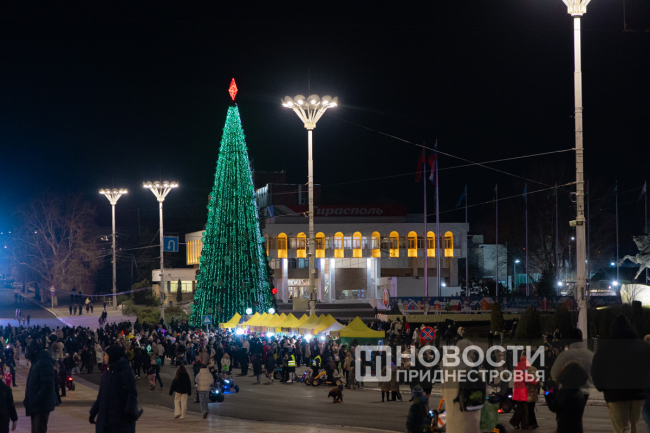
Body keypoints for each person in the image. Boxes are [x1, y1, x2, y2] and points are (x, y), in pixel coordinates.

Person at [592, 314, 650, 433]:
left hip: (615, 393)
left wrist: (602, 387)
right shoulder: (642, 346)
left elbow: (596, 370)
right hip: (637, 393)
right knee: (633, 426)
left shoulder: (605, 348)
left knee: (622, 428)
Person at [89, 346, 139, 433]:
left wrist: (129, 413)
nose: (104, 357)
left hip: (120, 420)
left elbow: (131, 394)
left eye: (106, 355)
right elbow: (101, 396)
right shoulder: (107, 373)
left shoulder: (125, 371)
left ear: (112, 356)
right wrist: (93, 412)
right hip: (105, 420)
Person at [551, 328, 593, 402]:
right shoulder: (591, 355)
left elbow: (554, 373)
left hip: (568, 393)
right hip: (586, 392)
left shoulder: (565, 355)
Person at [24, 337, 56, 433]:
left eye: (27, 349)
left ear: (34, 350)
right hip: (36, 405)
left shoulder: (43, 361)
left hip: (41, 406)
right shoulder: (36, 361)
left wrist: (35, 399)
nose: (25, 351)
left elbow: (47, 385)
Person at [546, 361, 588, 433]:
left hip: (564, 426)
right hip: (577, 427)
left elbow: (554, 407)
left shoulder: (564, 391)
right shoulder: (579, 392)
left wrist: (547, 394)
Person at [510, 355, 535, 430]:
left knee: (521, 409)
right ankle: (514, 422)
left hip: (518, 392)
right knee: (524, 410)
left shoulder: (519, 371)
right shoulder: (523, 372)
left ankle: (523, 425)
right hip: (521, 392)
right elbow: (529, 380)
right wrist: (536, 381)